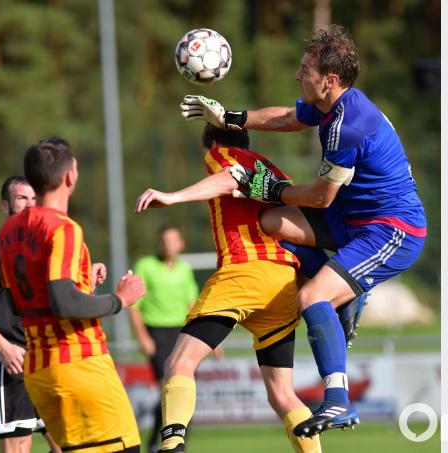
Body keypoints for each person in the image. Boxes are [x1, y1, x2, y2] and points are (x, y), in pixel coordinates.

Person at [180, 24, 427, 437]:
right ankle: (344, 293)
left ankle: (337, 402)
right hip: (353, 221)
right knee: (271, 221)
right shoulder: (332, 106)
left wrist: (274, 188)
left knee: (312, 297)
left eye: (304, 69)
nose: (298, 76)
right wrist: (230, 117)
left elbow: (320, 198)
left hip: (391, 231)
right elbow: (290, 117)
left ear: (329, 80)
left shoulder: (348, 125)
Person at [135, 124, 322, 453]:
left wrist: (172, 197)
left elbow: (230, 177)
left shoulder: (223, 153)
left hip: (244, 272)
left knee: (179, 363)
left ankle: (172, 445)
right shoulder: (275, 171)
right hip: (282, 283)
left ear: (212, 143)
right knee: (281, 394)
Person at [0, 137, 146, 453]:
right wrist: (120, 299)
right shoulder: (64, 228)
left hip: (39, 372)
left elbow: (17, 302)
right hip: (79, 365)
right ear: (70, 177)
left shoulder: (10, 231)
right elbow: (63, 301)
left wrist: (82, 289)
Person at [0, 176, 62, 453]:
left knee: (69, 443)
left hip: (45, 357)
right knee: (18, 446)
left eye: (34, 198)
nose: (30, 205)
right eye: (22, 199)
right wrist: (4, 347)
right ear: (5, 205)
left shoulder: (45, 246)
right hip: (11, 361)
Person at [129, 225, 201, 452]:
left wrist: (207, 337)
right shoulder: (145, 266)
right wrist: (142, 337)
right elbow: (134, 306)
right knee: (168, 390)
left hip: (183, 333)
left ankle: (177, 446)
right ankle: (157, 444)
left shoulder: (184, 269)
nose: (168, 244)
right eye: (164, 240)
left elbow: (192, 304)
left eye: (173, 240)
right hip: (157, 332)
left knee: (185, 391)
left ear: (181, 244)